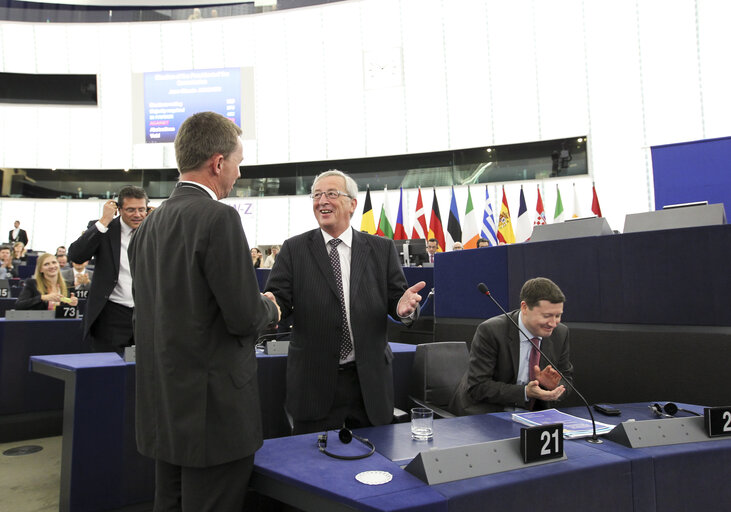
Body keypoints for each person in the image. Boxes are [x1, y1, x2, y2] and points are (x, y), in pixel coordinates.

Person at [129, 111, 280, 511]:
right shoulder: (219, 218)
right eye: (238, 163)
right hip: (214, 419)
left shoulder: (145, 229)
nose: (238, 174)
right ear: (218, 163)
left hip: (165, 411)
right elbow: (244, 317)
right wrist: (270, 308)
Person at [265, 169, 425, 434]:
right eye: (316, 195)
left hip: (369, 384)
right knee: (313, 466)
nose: (321, 201)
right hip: (314, 382)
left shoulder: (381, 249)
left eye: (331, 194)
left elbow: (399, 300)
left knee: (375, 465)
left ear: (352, 204)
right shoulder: (294, 249)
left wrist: (403, 309)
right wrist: (271, 306)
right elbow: (279, 298)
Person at [449, 277, 573, 415]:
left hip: (534, 415)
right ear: (525, 308)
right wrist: (525, 392)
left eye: (558, 316)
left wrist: (555, 387)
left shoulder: (560, 333)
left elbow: (566, 379)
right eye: (547, 316)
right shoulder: (491, 331)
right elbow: (478, 386)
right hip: (486, 411)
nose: (553, 323)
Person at [68, 185, 149, 354]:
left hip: (147, 314)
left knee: (145, 373)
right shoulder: (104, 228)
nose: (138, 215)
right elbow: (77, 255)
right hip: (112, 314)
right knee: (110, 371)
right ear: (119, 209)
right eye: (131, 210)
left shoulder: (154, 228)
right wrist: (104, 220)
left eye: (142, 209)